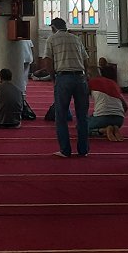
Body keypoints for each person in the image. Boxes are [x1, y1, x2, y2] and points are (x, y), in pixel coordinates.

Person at [42, 17, 90, 158]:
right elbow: (86, 60)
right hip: (80, 77)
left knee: (61, 115)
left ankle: (65, 150)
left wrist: (53, 77)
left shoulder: (52, 39)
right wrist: (85, 75)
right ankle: (83, 150)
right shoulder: (76, 39)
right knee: (82, 116)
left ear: (53, 28)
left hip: (64, 77)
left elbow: (48, 60)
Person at [88, 71, 128, 141]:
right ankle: (114, 128)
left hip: (102, 117)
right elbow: (126, 107)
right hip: (119, 119)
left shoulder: (90, 83)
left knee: (81, 128)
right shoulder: (113, 83)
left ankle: (103, 130)